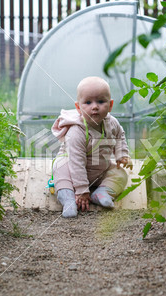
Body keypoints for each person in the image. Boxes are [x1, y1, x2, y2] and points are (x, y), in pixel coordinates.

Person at [51, 76, 133, 218]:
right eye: (88, 102)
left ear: (110, 104)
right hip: (72, 169)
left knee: (121, 174)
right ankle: (68, 199)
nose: (95, 106)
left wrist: (122, 154)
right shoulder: (77, 131)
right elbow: (76, 163)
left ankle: (102, 192)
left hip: (99, 168)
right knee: (60, 171)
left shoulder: (112, 123)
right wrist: (82, 190)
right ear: (78, 107)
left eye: (101, 101)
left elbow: (120, 136)